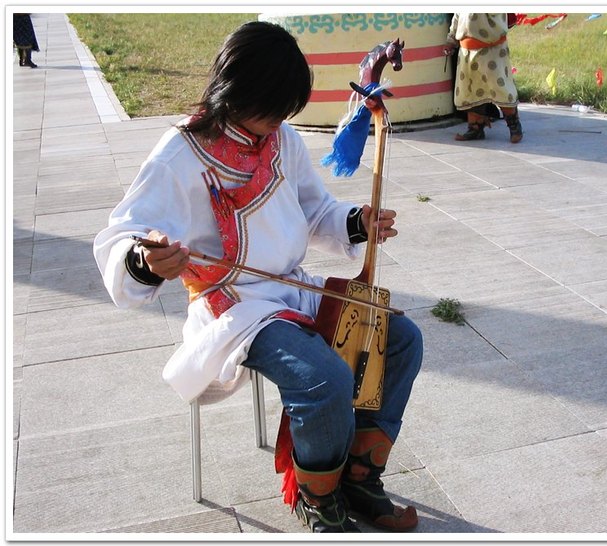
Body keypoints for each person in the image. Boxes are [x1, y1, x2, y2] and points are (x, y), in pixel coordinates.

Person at [93, 21, 422, 533]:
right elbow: (122, 234)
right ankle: (317, 497)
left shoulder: (281, 138)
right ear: (238, 91)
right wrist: (143, 259)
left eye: (283, 113)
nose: (277, 123)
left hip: (292, 287)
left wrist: (356, 222)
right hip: (233, 306)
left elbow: (315, 211)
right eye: (272, 109)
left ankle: (358, 475)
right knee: (323, 378)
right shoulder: (179, 153)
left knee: (399, 338)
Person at [444, 13, 523, 143]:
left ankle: (514, 125)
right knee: (470, 90)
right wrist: (451, 40)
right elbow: (458, 16)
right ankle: (475, 127)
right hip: (467, 51)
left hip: (492, 50)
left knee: (501, 88)